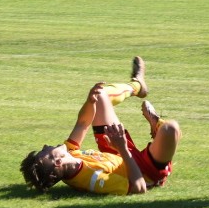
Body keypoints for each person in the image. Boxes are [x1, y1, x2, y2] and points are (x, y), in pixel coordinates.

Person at [20, 57, 182, 195]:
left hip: (114, 152)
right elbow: (139, 187)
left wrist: (90, 101)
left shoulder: (68, 154)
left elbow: (83, 123)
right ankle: (159, 130)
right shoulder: (92, 179)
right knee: (171, 129)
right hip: (143, 170)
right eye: (45, 151)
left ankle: (138, 86)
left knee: (100, 95)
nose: (46, 145)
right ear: (57, 162)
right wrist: (122, 147)